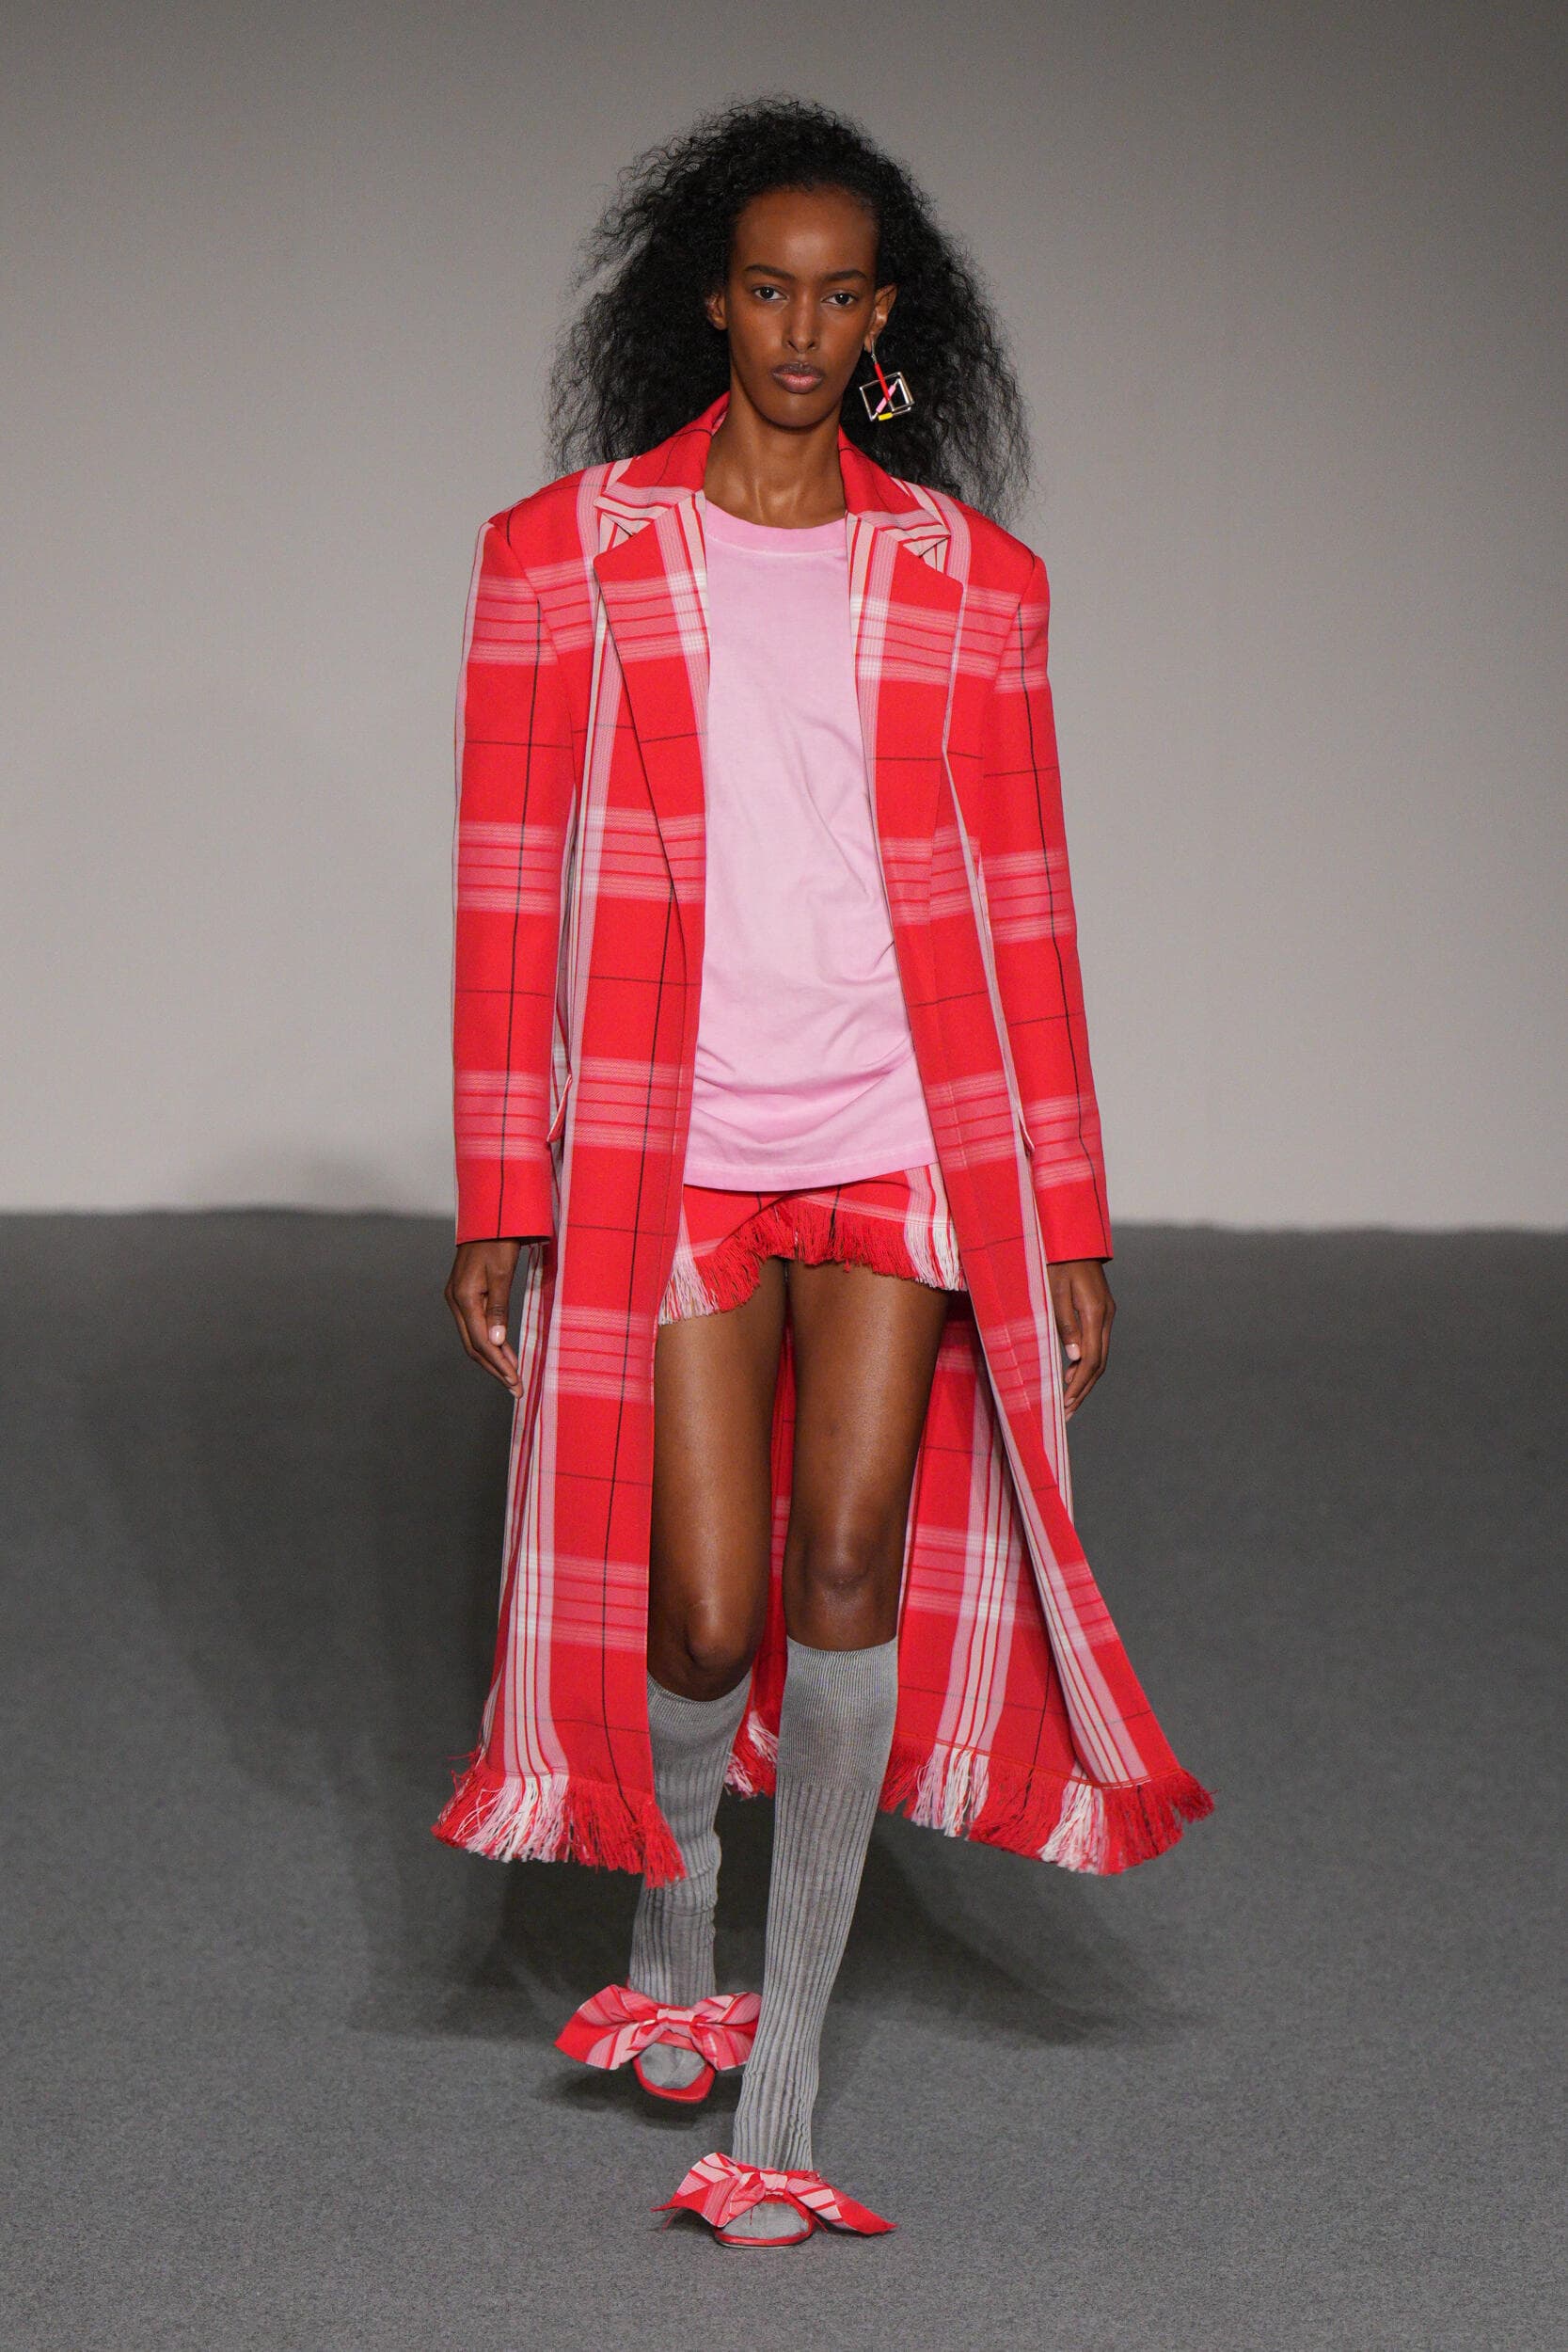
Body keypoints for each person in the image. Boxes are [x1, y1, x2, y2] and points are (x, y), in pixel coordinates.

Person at [437, 95, 1212, 2251]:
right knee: (705, 1605)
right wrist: (503, 1187)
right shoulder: (567, 552)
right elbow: (508, 883)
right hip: (679, 1139)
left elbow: (1029, 903)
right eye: (767, 288)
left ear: (887, 320)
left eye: (839, 294)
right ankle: (673, 1918)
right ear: (709, 299)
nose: (800, 327)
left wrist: (1066, 1211)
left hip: (899, 1125)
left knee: (848, 1557)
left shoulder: (969, 581)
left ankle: (775, 2086)